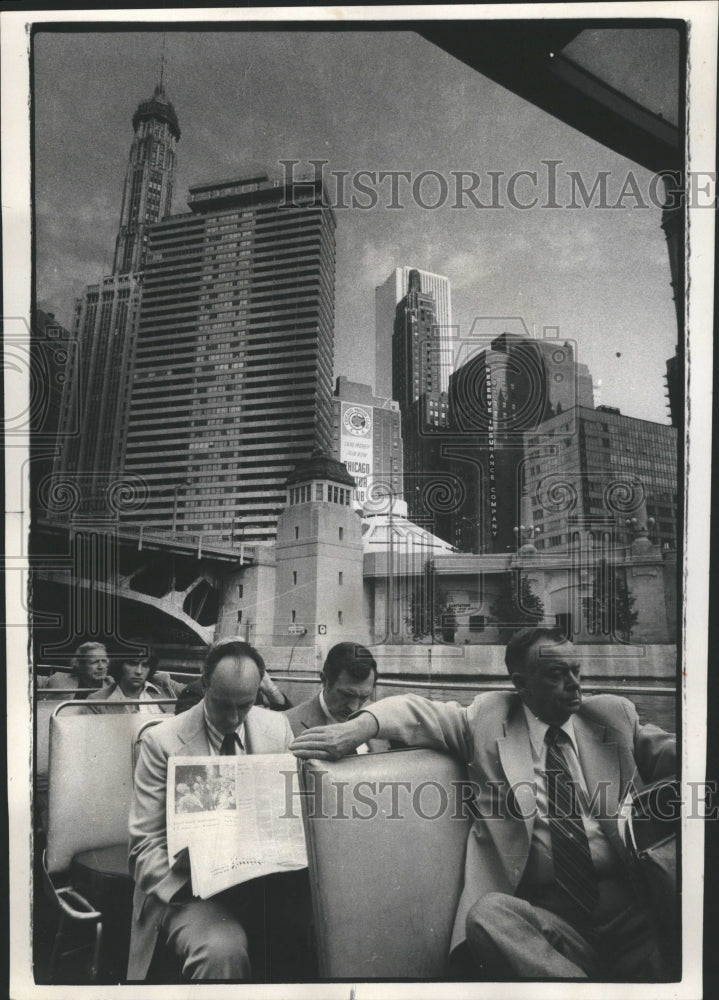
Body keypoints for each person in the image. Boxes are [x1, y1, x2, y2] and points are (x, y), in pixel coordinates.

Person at [291, 626, 677, 980]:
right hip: (547, 921)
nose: (574, 686)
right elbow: (413, 710)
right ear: (521, 684)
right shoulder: (488, 719)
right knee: (487, 916)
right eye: (557, 675)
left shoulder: (612, 716)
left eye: (576, 671)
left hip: (635, 914)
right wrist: (354, 729)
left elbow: (679, 754)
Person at [127, 637, 295, 981]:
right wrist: (198, 876)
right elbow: (143, 850)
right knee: (222, 950)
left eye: (245, 705)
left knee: (321, 928)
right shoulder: (162, 741)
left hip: (263, 884)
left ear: (259, 694)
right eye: (221, 705)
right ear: (205, 685)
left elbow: (290, 814)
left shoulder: (277, 728)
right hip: (188, 890)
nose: (233, 718)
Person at [286, 641, 390, 753]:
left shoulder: (382, 717)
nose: (354, 708)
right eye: (346, 695)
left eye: (363, 697)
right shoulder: (287, 726)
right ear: (324, 680)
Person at [86, 647, 178, 714]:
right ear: (120, 665)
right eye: (132, 664)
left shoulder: (166, 687)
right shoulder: (96, 702)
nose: (139, 671)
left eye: (145, 665)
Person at [175, 669, 291, 715]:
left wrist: (271, 690)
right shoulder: (195, 691)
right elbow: (186, 728)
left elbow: (287, 720)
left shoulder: (252, 688)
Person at [41, 641, 111, 698]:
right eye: (94, 662)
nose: (101, 667)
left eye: (104, 661)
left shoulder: (112, 686)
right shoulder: (60, 681)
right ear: (81, 665)